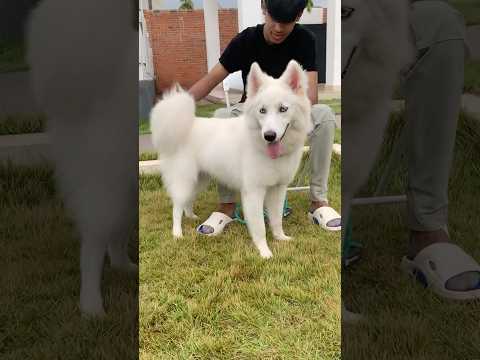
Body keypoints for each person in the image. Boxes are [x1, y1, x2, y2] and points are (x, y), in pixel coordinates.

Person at [188, 0, 341, 236]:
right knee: (220, 116)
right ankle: (226, 206)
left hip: (288, 112)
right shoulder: (246, 40)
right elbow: (210, 80)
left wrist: (287, 119)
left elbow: (311, 97)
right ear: (263, 7)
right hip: (253, 113)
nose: (278, 28)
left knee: (325, 116)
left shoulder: (305, 40)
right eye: (273, 18)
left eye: (287, 21)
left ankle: (318, 202)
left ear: (299, 14)